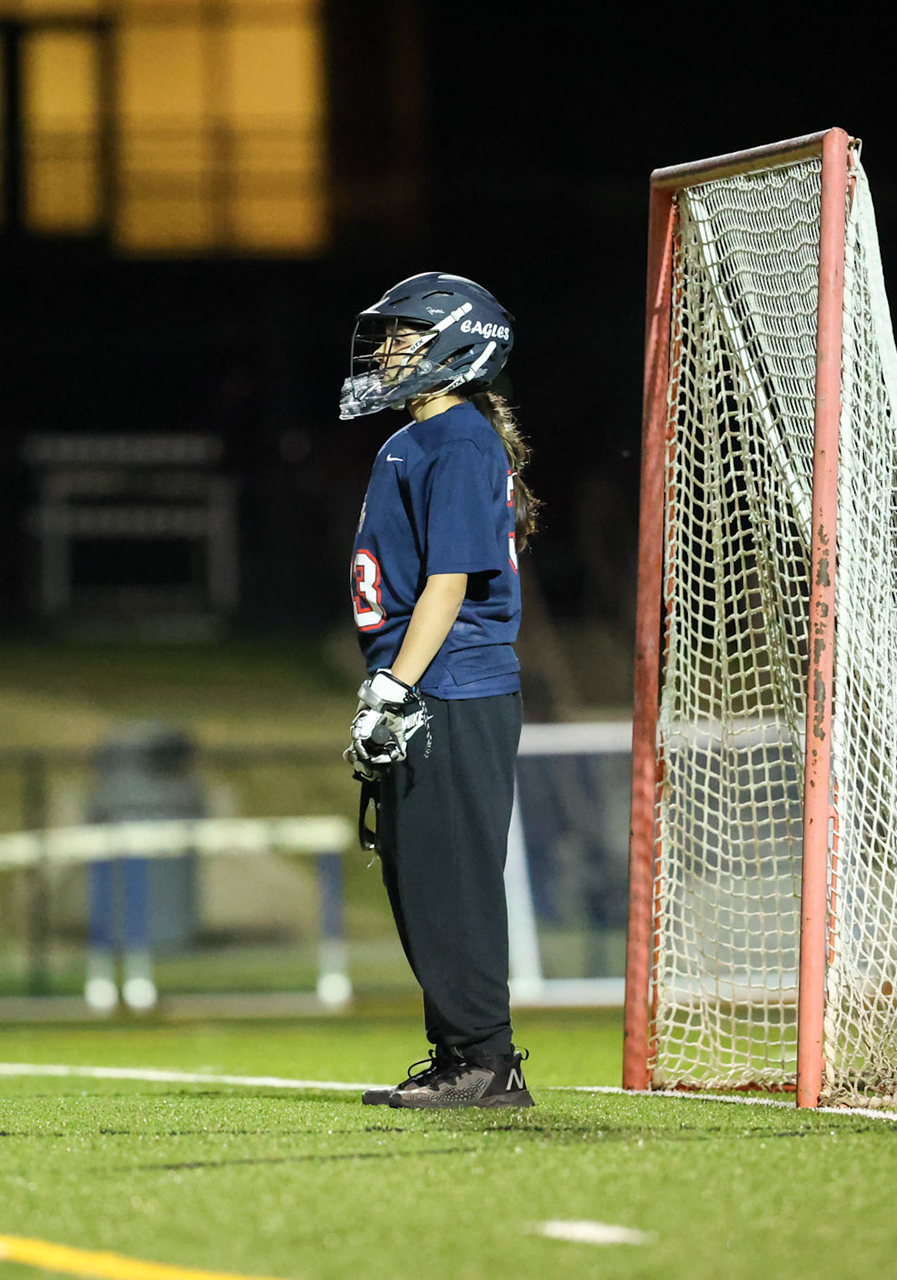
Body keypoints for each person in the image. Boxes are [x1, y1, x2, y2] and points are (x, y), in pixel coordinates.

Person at [339, 271, 538, 1109]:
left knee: (450, 879)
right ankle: (464, 1054)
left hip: (451, 684)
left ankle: (486, 1061)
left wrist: (394, 687)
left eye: (405, 333)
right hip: (431, 683)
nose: (387, 349)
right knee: (420, 879)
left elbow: (449, 582)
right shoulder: (418, 438)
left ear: (458, 345)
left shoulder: (457, 439)